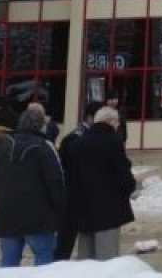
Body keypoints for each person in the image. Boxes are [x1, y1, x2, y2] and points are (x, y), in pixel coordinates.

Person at [0, 109, 65, 267]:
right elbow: (56, 183)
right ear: (41, 126)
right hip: (39, 219)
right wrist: (60, 213)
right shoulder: (44, 148)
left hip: (8, 217)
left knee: (9, 263)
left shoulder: (1, 148)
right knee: (44, 260)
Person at [61, 106, 136, 260]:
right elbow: (123, 176)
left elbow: (69, 176)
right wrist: (128, 189)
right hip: (109, 211)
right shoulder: (113, 142)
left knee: (86, 259)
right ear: (111, 121)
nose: (117, 128)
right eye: (117, 124)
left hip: (83, 210)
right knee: (107, 259)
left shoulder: (77, 143)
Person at [54, 100, 104, 261]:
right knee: (66, 241)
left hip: (85, 194)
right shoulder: (75, 138)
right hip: (73, 195)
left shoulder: (87, 136)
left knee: (87, 242)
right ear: (90, 117)